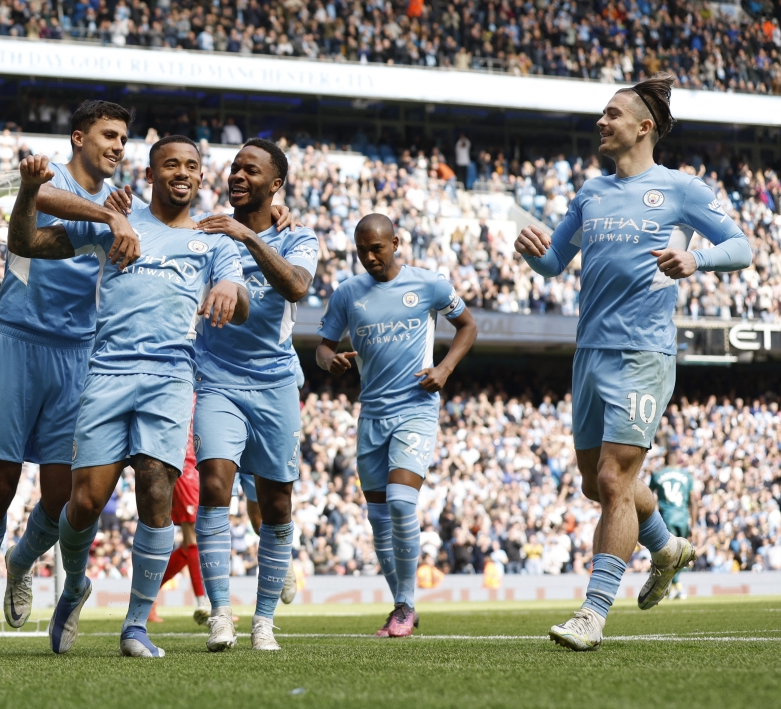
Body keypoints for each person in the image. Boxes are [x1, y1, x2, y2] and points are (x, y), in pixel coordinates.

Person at [514, 73, 752, 651]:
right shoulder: (590, 193)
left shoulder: (681, 189)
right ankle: (666, 547)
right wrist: (535, 256)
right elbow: (555, 264)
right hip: (589, 352)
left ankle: (592, 616)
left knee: (614, 477)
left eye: (612, 114)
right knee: (598, 487)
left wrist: (697, 260)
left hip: (643, 351)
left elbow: (741, 246)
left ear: (644, 127)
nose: (602, 121)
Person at [20, 135, 249, 659]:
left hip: (171, 378)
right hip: (107, 374)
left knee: (155, 490)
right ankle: (74, 586)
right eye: (170, 164)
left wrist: (230, 292)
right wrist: (106, 216)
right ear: (150, 175)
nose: (183, 172)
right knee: (85, 502)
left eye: (192, 165)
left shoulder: (214, 242)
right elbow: (34, 234)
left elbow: (243, 307)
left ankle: (135, 626)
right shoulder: (118, 220)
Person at [0, 100, 139, 657]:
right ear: (78, 136)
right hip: (18, 342)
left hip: (77, 355)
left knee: (63, 499)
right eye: (108, 135)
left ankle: (21, 560)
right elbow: (34, 217)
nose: (117, 146)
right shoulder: (48, 176)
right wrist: (108, 217)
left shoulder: (118, 204)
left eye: (124, 140)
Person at [316, 213, 477, 638]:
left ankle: (406, 605)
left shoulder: (429, 284)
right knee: (378, 518)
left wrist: (444, 368)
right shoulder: (348, 294)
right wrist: (328, 361)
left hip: (416, 408)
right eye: (362, 250)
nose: (369, 256)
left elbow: (468, 325)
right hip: (371, 414)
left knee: (402, 503)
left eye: (377, 248)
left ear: (396, 243)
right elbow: (323, 346)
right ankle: (400, 605)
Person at [191, 139, 319, 652]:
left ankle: (264, 620)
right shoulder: (208, 233)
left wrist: (248, 236)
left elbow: (294, 287)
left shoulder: (300, 236)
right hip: (217, 376)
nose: (238, 175)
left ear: (276, 184)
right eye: (234, 168)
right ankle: (222, 613)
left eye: (251, 170)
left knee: (277, 502)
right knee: (216, 484)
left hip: (275, 382)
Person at [147, 397, 211, 626]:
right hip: (185, 468)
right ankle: (205, 603)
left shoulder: (202, 390)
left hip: (197, 467)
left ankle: (148, 598)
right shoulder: (184, 391)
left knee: (188, 546)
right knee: (193, 537)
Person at [649, 448, 697, 600]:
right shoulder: (687, 476)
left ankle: (675, 587)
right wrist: (694, 524)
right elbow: (693, 501)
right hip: (683, 519)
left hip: (667, 518)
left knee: (671, 556)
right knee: (680, 557)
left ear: (665, 460)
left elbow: (647, 497)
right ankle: (675, 586)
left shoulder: (657, 475)